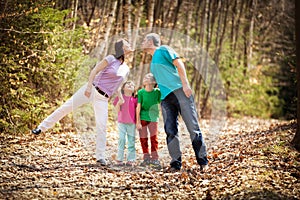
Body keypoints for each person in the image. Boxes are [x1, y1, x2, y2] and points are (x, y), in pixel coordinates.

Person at [31, 39, 134, 166]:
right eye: (127, 43)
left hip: (103, 98)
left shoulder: (126, 68)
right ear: (122, 48)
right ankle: (41, 128)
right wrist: (89, 87)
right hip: (92, 89)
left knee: (102, 126)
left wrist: (120, 97)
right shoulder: (111, 58)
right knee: (66, 107)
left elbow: (116, 85)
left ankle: (100, 157)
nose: (130, 45)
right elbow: (95, 70)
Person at [141, 33, 208, 172]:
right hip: (165, 99)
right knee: (170, 131)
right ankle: (175, 164)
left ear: (150, 41)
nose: (141, 42)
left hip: (180, 92)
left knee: (193, 128)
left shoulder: (163, 49)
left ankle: (203, 161)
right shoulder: (152, 63)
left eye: (144, 40)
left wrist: (186, 84)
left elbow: (179, 63)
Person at [136, 73, 161, 169]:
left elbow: (161, 101)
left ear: (153, 81)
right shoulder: (141, 92)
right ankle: (146, 157)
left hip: (153, 118)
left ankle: (155, 158)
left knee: (154, 138)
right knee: (143, 138)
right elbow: (138, 107)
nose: (145, 78)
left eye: (148, 77)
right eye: (145, 77)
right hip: (143, 117)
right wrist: (138, 122)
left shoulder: (157, 92)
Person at [113, 81, 137, 166]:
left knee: (131, 141)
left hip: (132, 123)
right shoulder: (120, 98)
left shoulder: (135, 99)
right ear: (123, 88)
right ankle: (119, 159)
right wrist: (120, 102)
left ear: (134, 89)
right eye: (128, 84)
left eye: (132, 85)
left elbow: (137, 111)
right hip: (121, 122)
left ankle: (131, 159)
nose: (130, 85)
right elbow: (117, 110)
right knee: (121, 140)